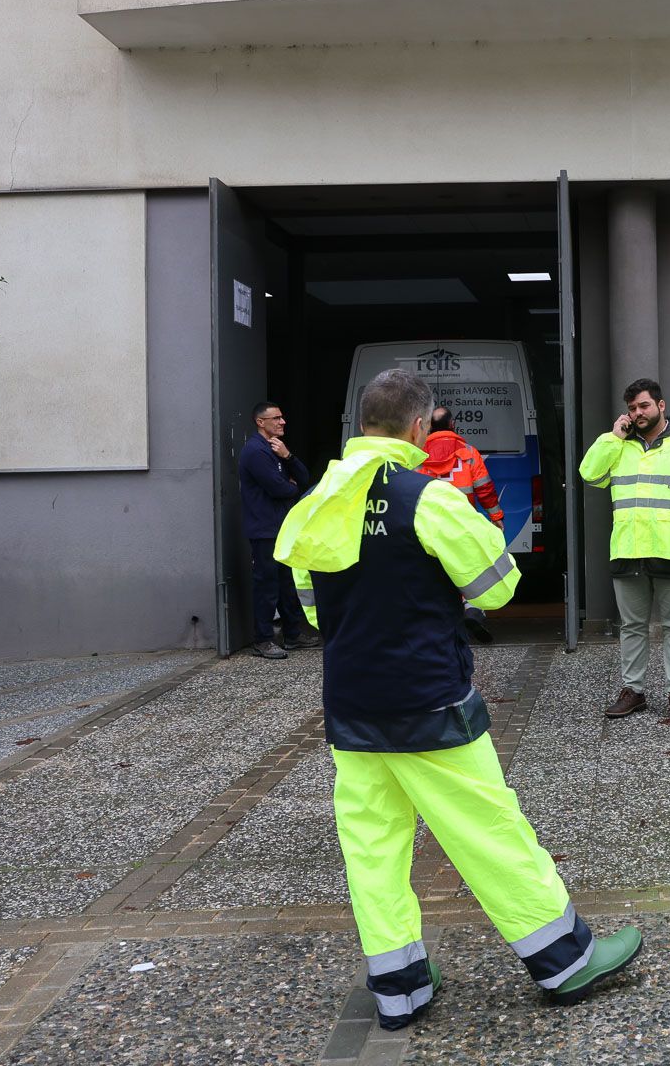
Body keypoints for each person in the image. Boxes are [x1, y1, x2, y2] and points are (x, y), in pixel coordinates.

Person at [276, 369, 641, 1029]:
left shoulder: (317, 500)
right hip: (428, 701)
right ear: (420, 427)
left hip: (351, 704)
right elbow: (497, 585)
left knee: (373, 849)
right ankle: (565, 961)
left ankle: (400, 988)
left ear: (363, 424)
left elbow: (312, 609)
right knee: (489, 831)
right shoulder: (429, 498)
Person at [580, 378, 670, 723]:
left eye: (643, 406)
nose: (637, 413)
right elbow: (589, 474)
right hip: (628, 548)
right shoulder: (620, 444)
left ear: (661, 405)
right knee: (631, 626)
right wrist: (613, 437)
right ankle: (634, 691)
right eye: (632, 408)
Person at [237, 401, 320, 660]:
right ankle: (263, 640)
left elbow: (303, 478)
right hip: (265, 530)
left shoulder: (276, 448)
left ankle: (293, 635)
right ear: (260, 422)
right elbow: (278, 488)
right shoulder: (255, 451)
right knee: (267, 585)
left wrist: (288, 456)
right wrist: (291, 487)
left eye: (282, 417)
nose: (282, 422)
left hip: (282, 527)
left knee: (287, 583)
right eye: (276, 418)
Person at [418, 406, 505, 645]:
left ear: (428, 427)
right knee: (469, 569)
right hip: (463, 523)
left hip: (430, 525)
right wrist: (496, 516)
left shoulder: (418, 455)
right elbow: (484, 488)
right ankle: (473, 611)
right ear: (453, 425)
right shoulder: (468, 453)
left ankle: (439, 624)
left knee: (436, 573)